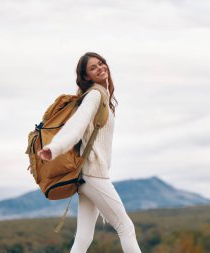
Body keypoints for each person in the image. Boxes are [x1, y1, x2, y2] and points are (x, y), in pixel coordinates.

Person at [37, 52, 142, 253]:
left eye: (101, 63)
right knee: (126, 227)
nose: (100, 68)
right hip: (93, 174)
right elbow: (76, 126)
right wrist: (54, 148)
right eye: (93, 68)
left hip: (88, 176)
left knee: (84, 237)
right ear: (86, 77)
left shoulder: (104, 97)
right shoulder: (94, 95)